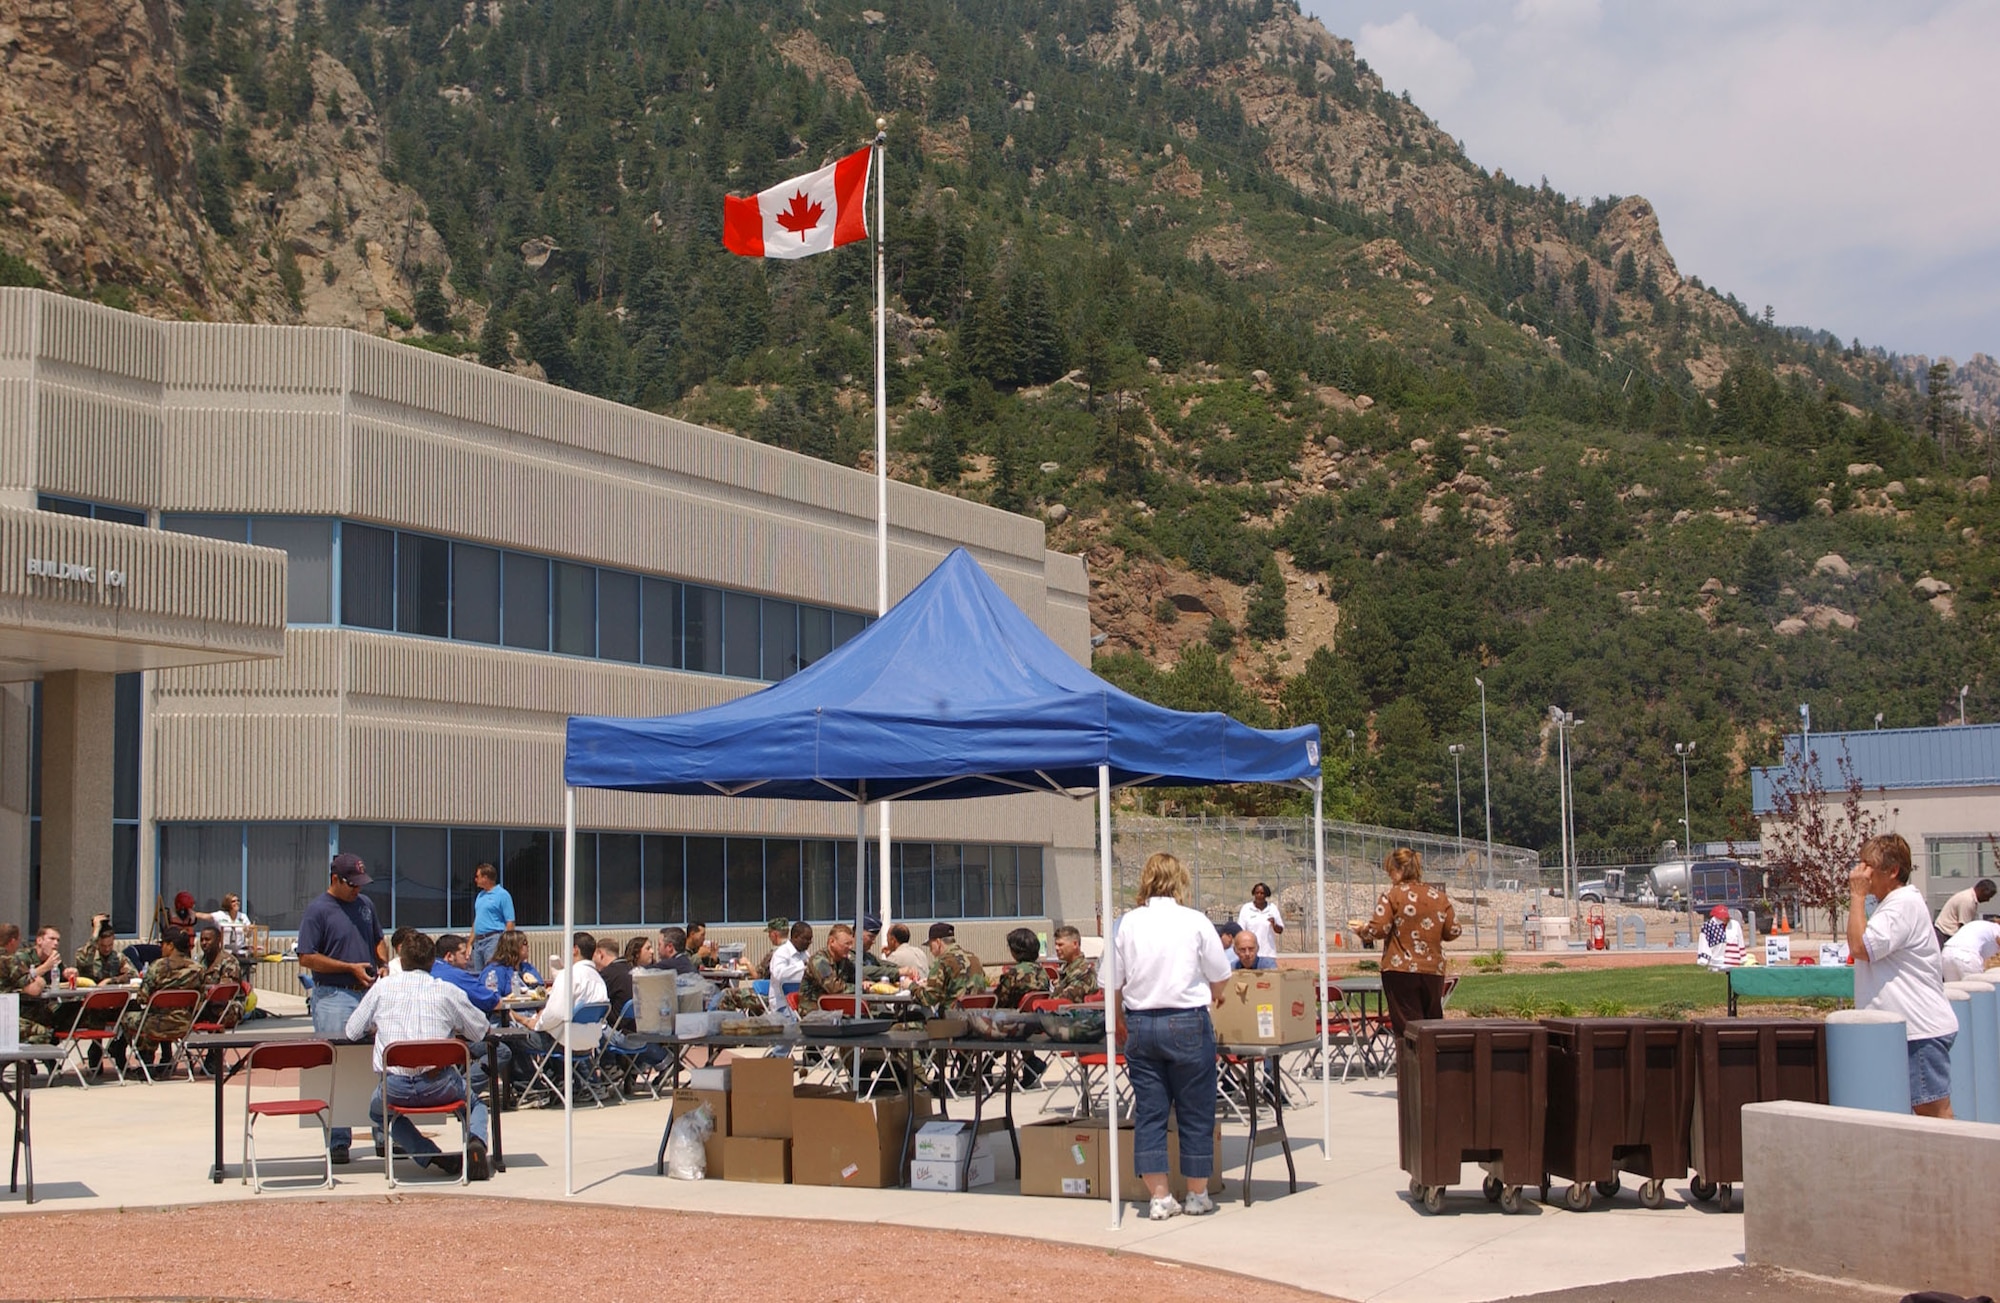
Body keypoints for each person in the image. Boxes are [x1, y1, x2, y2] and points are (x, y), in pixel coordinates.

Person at [1112, 851, 1232, 1221]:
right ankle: (1197, 1192)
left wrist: (1118, 1017)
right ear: (1181, 881)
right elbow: (1220, 972)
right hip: (1186, 1019)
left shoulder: (1127, 923)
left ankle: (1159, 1196)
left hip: (1141, 1021)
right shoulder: (1194, 921)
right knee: (1196, 1110)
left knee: (1151, 1112)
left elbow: (1111, 981)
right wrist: (1216, 993)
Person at [345, 929, 491, 1179]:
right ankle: (476, 1141)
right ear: (433, 961)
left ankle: (429, 1154)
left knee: (378, 1112)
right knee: (475, 1106)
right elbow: (481, 1030)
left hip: (394, 1086)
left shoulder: (382, 989)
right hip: (439, 1083)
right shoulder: (446, 990)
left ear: (401, 960)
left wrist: (377, 1025)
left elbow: (351, 1031)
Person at [1848, 833, 1958, 1119]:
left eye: (1869, 865)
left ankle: (1948, 1164)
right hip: (1910, 1029)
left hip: (1918, 1030)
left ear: (1893, 870)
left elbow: (1860, 947)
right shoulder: (1896, 904)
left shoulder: (1901, 904)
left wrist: (1856, 897)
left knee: (1932, 1113)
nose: (1862, 872)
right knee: (1925, 1113)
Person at [295, 852, 388, 1162]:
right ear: (335, 879)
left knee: (376, 1062)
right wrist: (349, 968)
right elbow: (307, 957)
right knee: (337, 1064)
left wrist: (383, 963)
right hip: (334, 996)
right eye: (352, 885)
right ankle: (338, 1140)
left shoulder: (365, 905)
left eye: (361, 884)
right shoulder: (318, 910)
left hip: (369, 994)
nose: (357, 890)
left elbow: (378, 938)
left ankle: (383, 1133)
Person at [1356, 848, 1462, 1037]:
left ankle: (1411, 1065)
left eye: (1391, 871)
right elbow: (1453, 930)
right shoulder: (1439, 897)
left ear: (1399, 870)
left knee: (1407, 1029)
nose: (1390, 876)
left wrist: (1362, 930)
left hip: (1400, 969)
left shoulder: (1392, 895)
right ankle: (1432, 1064)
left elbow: (1378, 929)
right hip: (1433, 970)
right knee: (1432, 1028)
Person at [114, 926, 207, 1072]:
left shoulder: (158, 966)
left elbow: (142, 998)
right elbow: (201, 997)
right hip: (184, 1024)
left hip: (156, 1024)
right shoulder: (198, 969)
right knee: (157, 1015)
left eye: (162, 944)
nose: (160, 948)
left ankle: (143, 1060)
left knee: (127, 1016)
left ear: (170, 945)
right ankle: (165, 1058)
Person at [432, 933, 507, 1094]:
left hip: (417, 1042)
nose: (468, 956)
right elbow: (492, 1001)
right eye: (463, 953)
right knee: (501, 1051)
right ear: (449, 956)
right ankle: (460, 1092)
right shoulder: (454, 975)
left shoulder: (427, 970)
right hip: (452, 1038)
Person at [513, 932, 607, 1054]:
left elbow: (555, 1014)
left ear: (575, 950)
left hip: (564, 1042)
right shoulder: (599, 979)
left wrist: (535, 1024)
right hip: (591, 1043)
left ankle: (527, 1073)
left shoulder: (568, 975)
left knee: (512, 1037)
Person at [800, 923, 901, 1012]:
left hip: (835, 1009)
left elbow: (856, 975)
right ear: (832, 942)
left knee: (880, 1012)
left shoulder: (844, 961)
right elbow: (835, 989)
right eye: (846, 944)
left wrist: (865, 981)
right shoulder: (820, 961)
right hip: (814, 1011)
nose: (850, 947)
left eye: (851, 943)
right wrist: (864, 988)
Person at [0, 923, 55, 1045]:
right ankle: (14, 1060)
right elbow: (34, 989)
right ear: (12, 941)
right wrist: (41, 981)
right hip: (3, 1018)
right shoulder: (9, 960)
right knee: (45, 1034)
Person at [913, 922, 989, 1007]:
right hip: (977, 1016)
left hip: (952, 1017)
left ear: (938, 942)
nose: (930, 950)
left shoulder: (943, 962)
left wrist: (911, 986)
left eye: (930, 945)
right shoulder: (974, 959)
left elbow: (929, 999)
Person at [469, 863, 515, 971]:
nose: (475, 879)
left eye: (477, 876)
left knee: (491, 973)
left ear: (485, 878)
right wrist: (469, 943)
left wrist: (507, 945)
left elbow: (510, 922)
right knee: (478, 974)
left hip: (493, 940)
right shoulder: (480, 896)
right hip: (478, 942)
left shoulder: (502, 895)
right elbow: (477, 919)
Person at [993, 928, 1053, 1009]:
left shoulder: (1014, 973)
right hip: (1038, 1015)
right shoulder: (1042, 971)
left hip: (1013, 1017)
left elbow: (998, 1001)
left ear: (1015, 950)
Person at [480, 931, 543, 998]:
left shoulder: (528, 967)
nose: (528, 946)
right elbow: (491, 998)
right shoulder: (495, 970)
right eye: (524, 943)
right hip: (509, 1007)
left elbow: (541, 990)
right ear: (513, 947)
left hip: (533, 1007)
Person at [1934, 878, 1996, 946]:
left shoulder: (1970, 897)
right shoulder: (1968, 900)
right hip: (1945, 934)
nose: (1987, 900)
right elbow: (1964, 928)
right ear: (1982, 891)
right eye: (1987, 896)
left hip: (1947, 934)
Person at [73, 920, 137, 985]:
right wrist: (95, 932)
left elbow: (134, 975)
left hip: (110, 993)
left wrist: (111, 980)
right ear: (97, 942)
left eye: (110, 945)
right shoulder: (84, 955)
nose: (107, 949)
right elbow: (84, 963)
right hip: (89, 993)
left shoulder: (118, 958)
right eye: (103, 946)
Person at [1940, 917, 2000, 983]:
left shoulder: (1980, 925)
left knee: (1953, 989)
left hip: (1947, 953)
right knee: (1976, 989)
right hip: (1966, 955)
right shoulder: (1996, 928)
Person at [593, 936, 635, 1028]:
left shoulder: (607, 975)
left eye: (594, 956)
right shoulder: (632, 969)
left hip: (617, 1031)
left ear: (600, 954)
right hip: (635, 1029)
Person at [1050, 925, 1099, 1001]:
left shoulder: (1083, 972)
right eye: (1056, 945)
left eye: (1060, 945)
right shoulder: (1068, 968)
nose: (1056, 948)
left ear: (1075, 944)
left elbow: (1066, 1000)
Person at [1237, 882, 1285, 960]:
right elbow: (1240, 931)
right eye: (1257, 893)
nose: (1259, 895)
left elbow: (1280, 930)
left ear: (1266, 895)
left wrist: (1274, 925)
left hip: (1268, 954)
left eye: (1262, 893)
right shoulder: (1246, 908)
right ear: (1254, 894)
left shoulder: (1272, 908)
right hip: (1250, 955)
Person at [769, 921, 811, 993]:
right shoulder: (781, 952)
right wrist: (802, 965)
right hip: (782, 1000)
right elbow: (778, 975)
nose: (809, 942)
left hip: (801, 998)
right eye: (806, 939)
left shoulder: (805, 954)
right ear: (795, 936)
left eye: (810, 939)